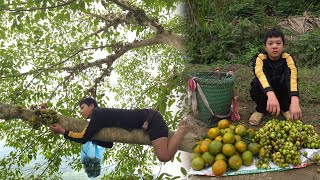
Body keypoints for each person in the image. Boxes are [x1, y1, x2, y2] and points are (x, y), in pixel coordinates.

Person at [50, 97, 189, 162]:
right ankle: (181, 129)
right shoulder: (100, 118)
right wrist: (93, 138)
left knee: (163, 156)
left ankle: (182, 129)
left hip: (150, 120)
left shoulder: (98, 114)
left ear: (92, 105)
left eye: (82, 108)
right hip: (149, 119)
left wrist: (63, 131)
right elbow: (109, 144)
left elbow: (83, 137)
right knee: (164, 156)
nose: (81, 112)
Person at [249, 28, 302, 125]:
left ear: (283, 45)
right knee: (257, 83)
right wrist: (270, 94)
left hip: (281, 92)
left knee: (288, 81)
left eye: (278, 43)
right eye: (270, 43)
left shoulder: (288, 59)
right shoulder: (260, 58)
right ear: (265, 46)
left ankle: (285, 108)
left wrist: (295, 100)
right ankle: (260, 110)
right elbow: (261, 76)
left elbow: (292, 78)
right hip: (266, 93)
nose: (274, 46)